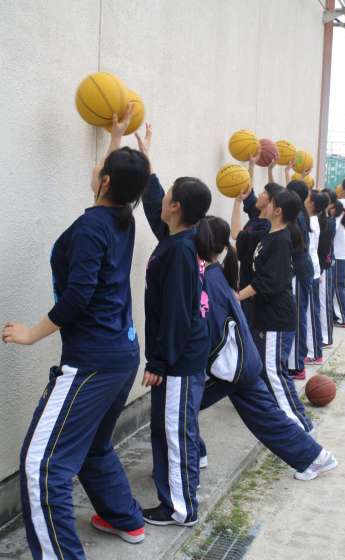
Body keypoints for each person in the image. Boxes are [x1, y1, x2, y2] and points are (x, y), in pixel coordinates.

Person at [2, 108, 151, 558]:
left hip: (92, 362)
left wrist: (32, 334)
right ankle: (125, 518)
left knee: (41, 467)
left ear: (105, 182)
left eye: (102, 170)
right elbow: (118, 185)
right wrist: (117, 139)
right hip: (121, 354)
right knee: (92, 447)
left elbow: (77, 297)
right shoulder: (122, 217)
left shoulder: (92, 227)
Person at [200, 216, 337, 480]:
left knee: (174, 408)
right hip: (242, 362)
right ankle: (315, 457)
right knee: (265, 416)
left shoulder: (209, 279)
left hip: (231, 366)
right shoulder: (217, 273)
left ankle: (192, 457)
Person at [137, 126, 212, 527]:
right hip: (178, 356)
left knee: (175, 432)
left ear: (178, 207)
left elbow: (178, 315)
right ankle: (173, 496)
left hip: (180, 359)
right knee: (167, 429)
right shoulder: (179, 237)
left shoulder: (181, 251)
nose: (163, 198)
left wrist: (159, 362)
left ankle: (181, 509)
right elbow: (154, 207)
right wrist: (146, 161)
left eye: (168, 194)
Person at [237, 189, 314, 433]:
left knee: (274, 374)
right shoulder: (271, 235)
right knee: (270, 372)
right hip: (267, 317)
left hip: (277, 319)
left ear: (278, 210)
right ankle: (294, 427)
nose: (266, 203)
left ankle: (301, 429)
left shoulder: (281, 241)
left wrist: (236, 296)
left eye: (270, 201)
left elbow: (267, 282)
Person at [231, 157, 281, 324]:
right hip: (245, 282)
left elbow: (235, 234)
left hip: (252, 289)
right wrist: (251, 164)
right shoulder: (257, 214)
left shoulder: (264, 228)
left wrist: (236, 203)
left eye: (264, 193)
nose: (260, 194)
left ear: (271, 202)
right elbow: (247, 190)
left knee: (249, 327)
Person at [285, 179, 315, 380]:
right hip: (302, 270)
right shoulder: (299, 213)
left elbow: (295, 249)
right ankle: (296, 361)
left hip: (299, 272)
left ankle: (297, 365)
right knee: (298, 316)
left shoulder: (297, 217)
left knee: (296, 318)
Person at [304, 191, 330, 365]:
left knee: (311, 313)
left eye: (307, 198)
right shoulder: (312, 218)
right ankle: (313, 349)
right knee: (311, 312)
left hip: (312, 271)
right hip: (313, 270)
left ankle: (315, 353)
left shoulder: (311, 221)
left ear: (312, 204)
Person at [318, 189, 337, 347]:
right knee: (320, 302)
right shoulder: (320, 219)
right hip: (321, 266)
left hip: (324, 266)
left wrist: (321, 268)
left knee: (324, 302)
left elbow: (323, 249)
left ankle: (326, 337)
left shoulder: (329, 222)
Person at [332, 200, 345, 328]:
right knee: (338, 286)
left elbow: (331, 231)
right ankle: (338, 315)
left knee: (338, 286)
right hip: (342, 254)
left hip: (339, 255)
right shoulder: (344, 215)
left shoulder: (338, 217)